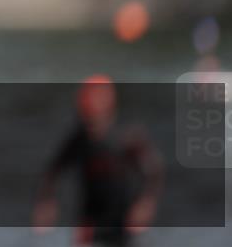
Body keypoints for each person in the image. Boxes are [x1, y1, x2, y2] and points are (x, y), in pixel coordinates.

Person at [32, 76, 165, 246]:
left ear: (109, 111)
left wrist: (146, 204)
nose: (92, 129)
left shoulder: (127, 136)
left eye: (95, 121)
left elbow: (155, 170)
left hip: (123, 219)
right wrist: (46, 202)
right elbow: (53, 170)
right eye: (88, 121)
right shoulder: (79, 139)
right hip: (90, 219)